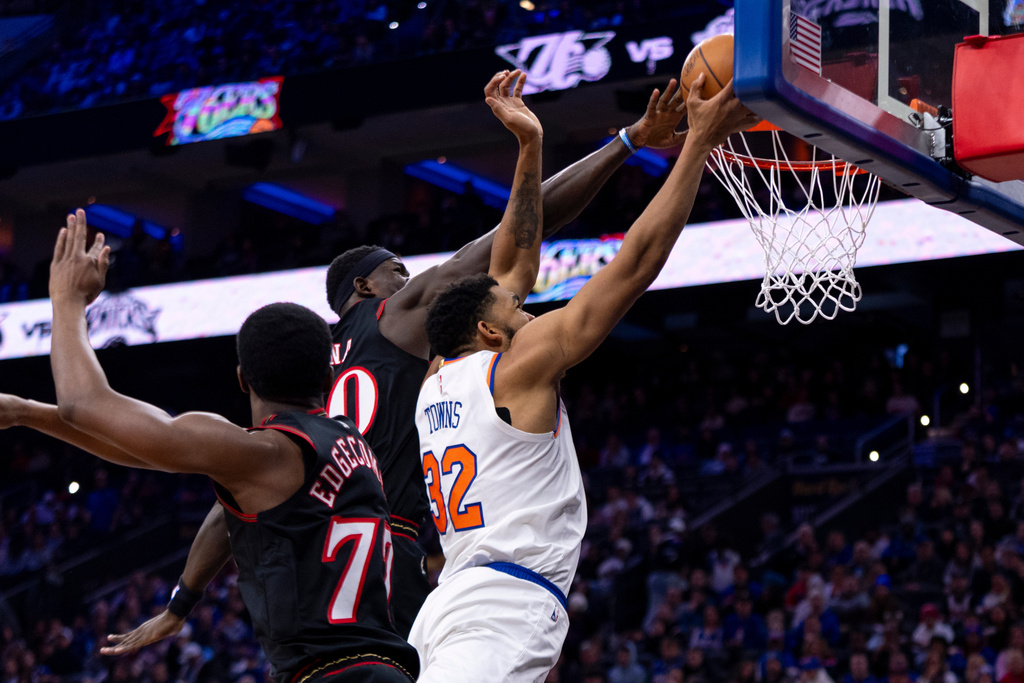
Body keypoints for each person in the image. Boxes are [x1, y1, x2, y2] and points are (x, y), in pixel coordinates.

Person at [93, 68, 694, 652]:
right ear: (364, 288)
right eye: (397, 271)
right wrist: (627, 142)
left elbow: (231, 497)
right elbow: (527, 227)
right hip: (389, 552)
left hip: (313, 574)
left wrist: (179, 604)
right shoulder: (396, 316)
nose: (410, 278)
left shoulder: (306, 382)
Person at [409, 75, 756, 681]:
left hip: (451, 603)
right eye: (518, 312)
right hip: (502, 608)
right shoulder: (513, 368)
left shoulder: (436, 378)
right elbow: (634, 264)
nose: (529, 311)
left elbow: (510, 262)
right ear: (490, 334)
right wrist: (698, 142)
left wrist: (529, 145)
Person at [12, 210, 419, 682]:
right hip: (382, 666)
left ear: (243, 379)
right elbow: (144, 452)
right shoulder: (348, 439)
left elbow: (85, 404)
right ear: (327, 375)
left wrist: (67, 302)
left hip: (333, 674)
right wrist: (25, 411)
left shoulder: (267, 454)